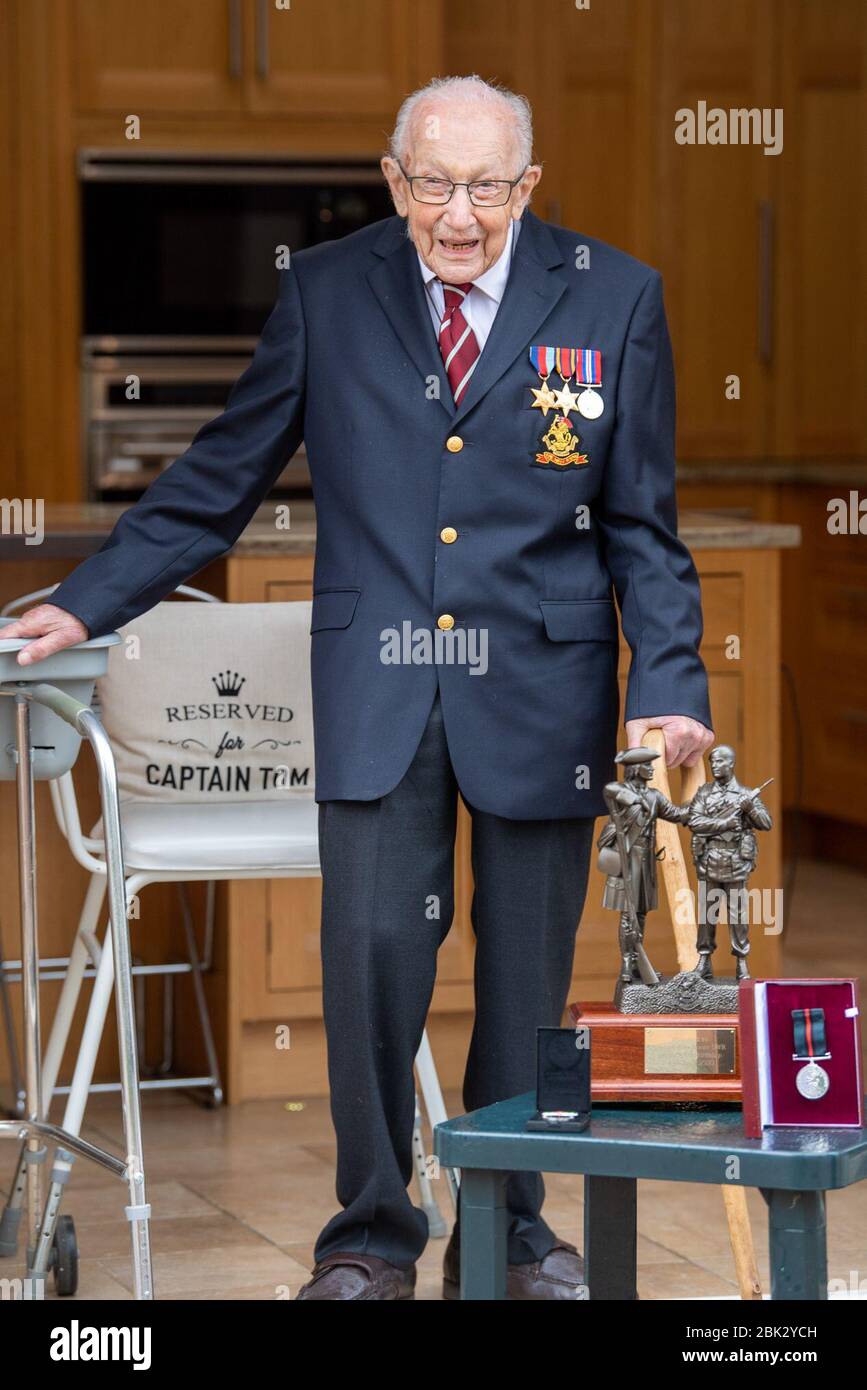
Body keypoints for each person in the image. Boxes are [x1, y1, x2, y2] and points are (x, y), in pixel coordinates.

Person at [5, 75, 714, 1300]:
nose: (457, 213)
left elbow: (643, 526)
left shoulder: (616, 296)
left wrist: (670, 679)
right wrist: (90, 596)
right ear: (395, 181)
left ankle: (512, 1231)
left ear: (527, 187)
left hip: (543, 684)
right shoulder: (327, 292)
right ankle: (370, 1235)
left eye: (486, 186)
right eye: (433, 182)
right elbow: (222, 473)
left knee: (529, 977)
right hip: (382, 683)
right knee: (377, 950)